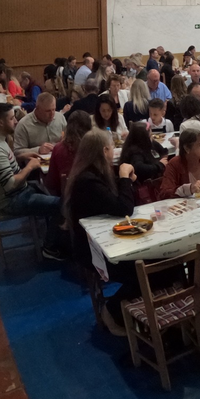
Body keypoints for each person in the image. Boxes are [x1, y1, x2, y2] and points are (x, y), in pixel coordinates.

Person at [64, 128, 139, 333]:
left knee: (161, 263)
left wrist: (127, 182)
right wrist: (123, 177)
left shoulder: (95, 173)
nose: (115, 151)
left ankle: (144, 310)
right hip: (94, 250)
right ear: (105, 150)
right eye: (113, 147)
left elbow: (120, 205)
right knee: (143, 270)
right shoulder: (88, 180)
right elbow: (124, 209)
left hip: (106, 239)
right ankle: (111, 311)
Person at [0, 104, 62, 254]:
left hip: (19, 191)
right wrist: (30, 167)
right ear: (0, 122)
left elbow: (5, 164)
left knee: (53, 192)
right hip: (11, 200)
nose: (16, 121)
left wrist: (21, 156)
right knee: (61, 204)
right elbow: (10, 185)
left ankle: (58, 235)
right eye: (11, 118)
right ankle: (49, 248)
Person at [159, 127, 200, 198]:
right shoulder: (174, 164)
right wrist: (189, 189)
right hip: (184, 207)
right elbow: (164, 193)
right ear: (187, 148)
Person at [42, 110, 91, 196]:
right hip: (92, 195)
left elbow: (51, 183)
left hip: (67, 198)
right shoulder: (94, 146)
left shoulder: (58, 148)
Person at [12, 92, 66, 162]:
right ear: (37, 108)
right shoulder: (24, 125)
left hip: (59, 160)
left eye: (53, 109)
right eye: (48, 111)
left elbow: (68, 138)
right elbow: (17, 153)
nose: (52, 114)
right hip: (36, 165)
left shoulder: (60, 117)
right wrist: (38, 150)